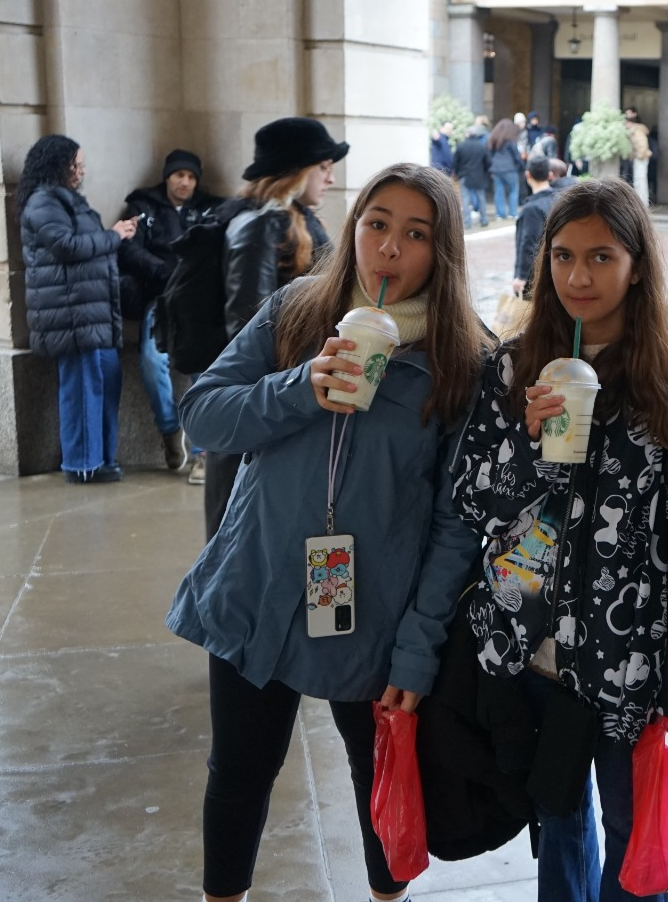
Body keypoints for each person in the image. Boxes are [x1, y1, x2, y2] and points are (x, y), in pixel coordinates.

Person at [168, 162, 489, 902]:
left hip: (372, 611)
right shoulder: (298, 311)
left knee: (378, 775)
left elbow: (456, 525)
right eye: (377, 224)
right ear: (354, 228)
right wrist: (299, 387)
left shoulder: (461, 360)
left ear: (442, 252)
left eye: (416, 234)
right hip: (259, 582)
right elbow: (205, 415)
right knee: (239, 771)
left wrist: (417, 649)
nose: (389, 247)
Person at [454, 178, 668, 902]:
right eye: (563, 256)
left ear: (637, 266)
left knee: (633, 834)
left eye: (601, 256)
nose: (578, 276)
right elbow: (472, 499)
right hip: (533, 651)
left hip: (632, 659)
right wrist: (527, 445)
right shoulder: (511, 368)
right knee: (559, 820)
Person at [203, 117, 343, 539]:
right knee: (235, 532)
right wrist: (283, 394)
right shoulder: (262, 224)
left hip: (282, 397)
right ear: (296, 170)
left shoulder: (292, 219)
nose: (331, 178)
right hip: (261, 403)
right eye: (323, 167)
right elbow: (246, 325)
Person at [17, 134, 133, 483]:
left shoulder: (66, 200)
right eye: (75, 165)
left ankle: (103, 458)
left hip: (90, 311)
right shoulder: (43, 201)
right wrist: (114, 236)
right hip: (70, 314)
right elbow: (66, 246)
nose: (81, 171)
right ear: (58, 165)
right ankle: (82, 465)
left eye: (81, 165)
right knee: (83, 388)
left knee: (106, 381)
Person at [118, 148, 219, 473]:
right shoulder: (143, 207)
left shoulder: (208, 208)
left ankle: (204, 451)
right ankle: (169, 430)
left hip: (198, 303)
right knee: (151, 361)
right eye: (179, 175)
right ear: (167, 177)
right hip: (161, 299)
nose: (185, 182)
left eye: (191, 176)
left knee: (204, 370)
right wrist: (165, 272)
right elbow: (129, 249)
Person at [512, 154, 572, 298]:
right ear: (549, 175)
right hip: (557, 267)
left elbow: (529, 243)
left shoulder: (531, 208)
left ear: (528, 175)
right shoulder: (559, 199)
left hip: (537, 275)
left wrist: (521, 275)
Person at [454, 122, 492, 228]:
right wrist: (485, 171)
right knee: (481, 198)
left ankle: (467, 222)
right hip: (479, 176)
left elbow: (455, 162)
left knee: (465, 199)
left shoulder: (461, 145)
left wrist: (457, 173)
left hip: (464, 175)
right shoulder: (481, 146)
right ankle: (484, 220)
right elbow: (488, 162)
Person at [488, 117, 526, 222]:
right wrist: (523, 166)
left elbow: (490, 155)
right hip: (510, 169)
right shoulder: (511, 140)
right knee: (513, 190)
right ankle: (512, 213)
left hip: (496, 169)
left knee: (499, 191)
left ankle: (500, 214)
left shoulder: (494, 139)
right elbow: (516, 156)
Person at [622, 109, 652, 202]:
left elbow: (642, 145)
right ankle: (642, 202)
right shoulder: (635, 131)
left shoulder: (637, 131)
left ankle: (642, 202)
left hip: (641, 158)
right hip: (639, 157)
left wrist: (638, 156)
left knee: (640, 181)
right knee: (639, 181)